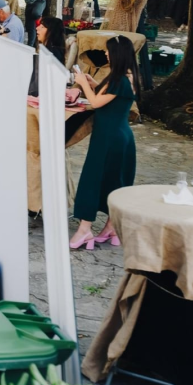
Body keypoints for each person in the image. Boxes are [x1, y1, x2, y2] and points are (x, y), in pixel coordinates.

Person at [70, 36, 140, 249]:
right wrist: (93, 83)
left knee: (93, 179)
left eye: (109, 51)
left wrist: (82, 83)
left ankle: (84, 229)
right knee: (114, 182)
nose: (106, 54)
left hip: (109, 138)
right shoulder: (126, 76)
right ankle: (112, 228)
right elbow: (110, 97)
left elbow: (96, 102)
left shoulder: (119, 79)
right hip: (119, 136)